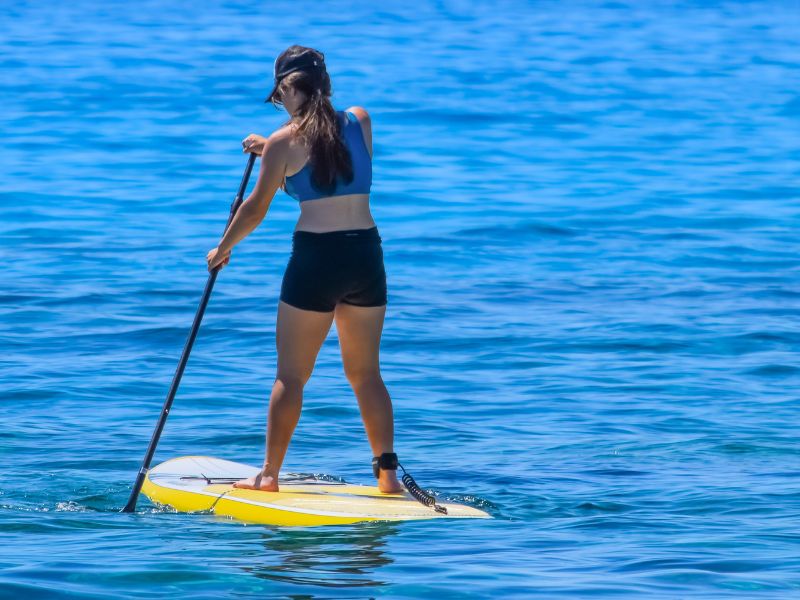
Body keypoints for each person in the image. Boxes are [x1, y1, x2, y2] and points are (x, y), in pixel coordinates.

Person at [206, 45, 404, 494]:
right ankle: (388, 476)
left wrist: (223, 247)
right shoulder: (360, 120)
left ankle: (269, 474)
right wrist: (272, 146)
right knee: (366, 374)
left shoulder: (282, 143)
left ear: (287, 88)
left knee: (291, 375)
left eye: (280, 96)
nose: (281, 103)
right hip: (366, 256)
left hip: (317, 260)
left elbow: (255, 210)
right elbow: (327, 149)